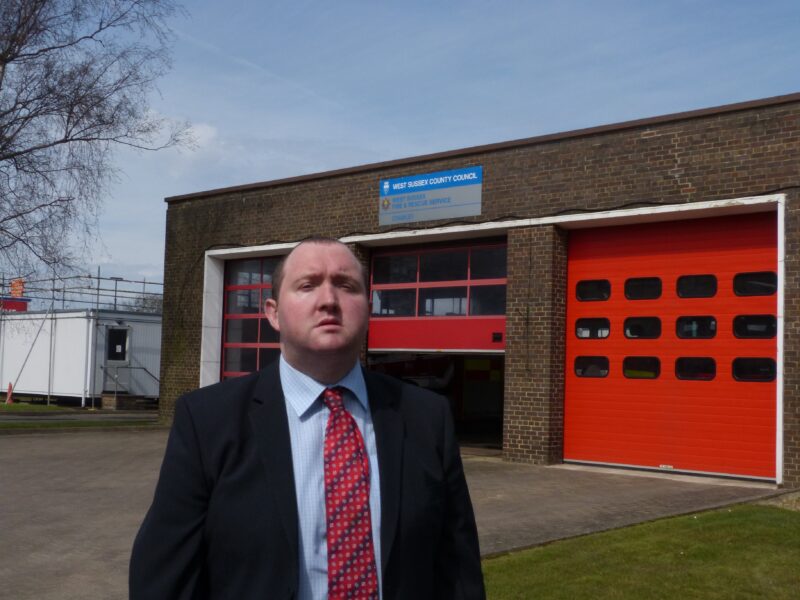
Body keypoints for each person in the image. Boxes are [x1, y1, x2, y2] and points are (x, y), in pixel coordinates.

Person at [130, 237, 486, 599]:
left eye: (346, 286)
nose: (329, 300)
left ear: (367, 307)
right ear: (273, 313)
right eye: (308, 285)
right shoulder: (207, 421)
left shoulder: (426, 417)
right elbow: (164, 578)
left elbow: (457, 571)